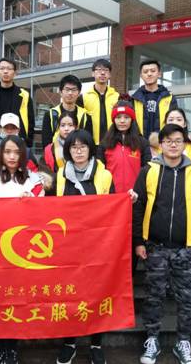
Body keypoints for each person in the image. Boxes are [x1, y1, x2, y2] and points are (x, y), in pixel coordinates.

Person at [132, 124, 191, 364]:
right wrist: (139, 241)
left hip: (186, 249)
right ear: (161, 144)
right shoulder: (148, 171)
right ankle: (152, 339)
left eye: (178, 140)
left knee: (188, 299)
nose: (173, 145)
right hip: (155, 248)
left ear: (185, 143)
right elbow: (137, 209)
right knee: (153, 297)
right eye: (168, 141)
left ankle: (183, 342)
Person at [48, 129, 114, 364]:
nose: (78, 151)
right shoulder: (60, 175)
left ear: (90, 149)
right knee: (69, 294)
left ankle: (96, 344)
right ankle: (69, 343)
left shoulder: (104, 175)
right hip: (68, 247)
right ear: (68, 150)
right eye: (73, 147)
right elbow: (50, 210)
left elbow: (113, 208)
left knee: (97, 294)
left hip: (98, 246)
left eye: (83, 146)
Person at [0, 135, 44, 364]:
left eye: (16, 152)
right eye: (7, 152)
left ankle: (12, 347)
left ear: (23, 154)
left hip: (23, 250)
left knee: (17, 297)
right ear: (1, 154)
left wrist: (31, 201)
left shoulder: (34, 181)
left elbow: (42, 213)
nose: (12, 157)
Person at [0, 57, 35, 154]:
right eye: (2, 68)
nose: (5, 71)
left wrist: (28, 142)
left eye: (9, 68)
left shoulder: (24, 95)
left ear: (15, 73)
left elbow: (31, 121)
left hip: (18, 143)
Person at [98, 101, 152, 193]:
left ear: (132, 119)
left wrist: (140, 191)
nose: (122, 121)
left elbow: (148, 171)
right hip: (111, 195)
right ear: (114, 120)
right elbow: (99, 171)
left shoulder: (142, 142)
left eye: (126, 117)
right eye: (118, 117)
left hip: (135, 195)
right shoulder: (105, 143)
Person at [41, 74, 92, 148]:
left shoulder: (85, 115)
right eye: (67, 89)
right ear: (61, 92)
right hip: (56, 154)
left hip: (78, 153)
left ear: (79, 93)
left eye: (74, 90)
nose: (70, 93)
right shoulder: (51, 114)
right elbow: (46, 144)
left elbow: (88, 142)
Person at [131, 59, 177, 139]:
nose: (149, 74)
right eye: (145, 72)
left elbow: (174, 123)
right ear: (141, 75)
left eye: (153, 71)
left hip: (163, 142)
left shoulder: (169, 98)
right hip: (139, 143)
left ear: (159, 74)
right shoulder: (134, 99)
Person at [78, 59, 119, 145]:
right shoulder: (84, 97)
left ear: (110, 74)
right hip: (91, 144)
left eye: (106, 70)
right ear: (93, 73)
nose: (103, 73)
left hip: (112, 143)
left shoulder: (117, 97)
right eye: (99, 70)